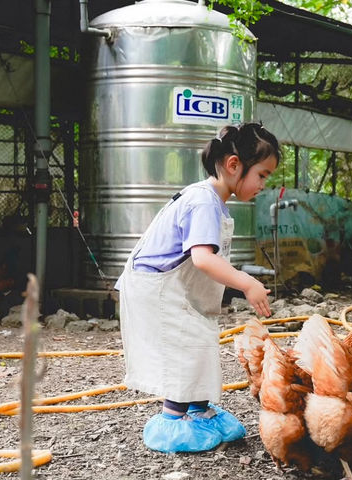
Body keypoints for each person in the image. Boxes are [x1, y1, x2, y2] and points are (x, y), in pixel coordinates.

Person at [115, 122, 280, 453]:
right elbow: (203, 259)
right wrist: (246, 283)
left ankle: (199, 410)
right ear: (234, 165)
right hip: (158, 288)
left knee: (201, 342)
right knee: (185, 349)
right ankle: (172, 420)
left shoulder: (214, 201)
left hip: (175, 288)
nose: (264, 184)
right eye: (262, 175)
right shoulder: (203, 201)